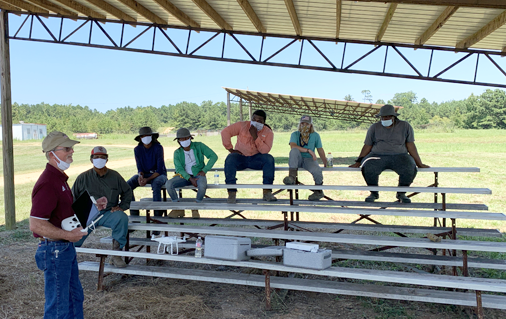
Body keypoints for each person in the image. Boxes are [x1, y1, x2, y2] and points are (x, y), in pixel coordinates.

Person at [29, 131, 86, 319]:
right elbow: (36, 224)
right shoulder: (48, 182)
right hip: (54, 250)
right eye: (67, 148)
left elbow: (63, 214)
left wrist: (94, 206)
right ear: (52, 153)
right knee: (59, 306)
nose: (71, 152)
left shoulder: (59, 178)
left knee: (74, 298)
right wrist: (69, 235)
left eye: (72, 148)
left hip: (63, 248)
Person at [349, 104, 430, 203]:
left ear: (394, 117)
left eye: (387, 116)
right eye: (383, 117)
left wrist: (419, 163)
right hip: (376, 155)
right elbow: (367, 146)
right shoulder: (374, 127)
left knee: (410, 168)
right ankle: (374, 193)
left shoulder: (405, 126)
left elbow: (411, 146)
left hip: (400, 155)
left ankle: (402, 193)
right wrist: (359, 161)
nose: (385, 119)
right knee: (368, 168)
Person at [72, 146, 132, 268]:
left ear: (107, 159)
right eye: (96, 157)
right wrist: (80, 212)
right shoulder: (83, 177)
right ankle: (69, 255)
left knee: (121, 218)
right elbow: (72, 197)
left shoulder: (115, 176)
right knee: (74, 233)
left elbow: (127, 191)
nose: (99, 159)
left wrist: (122, 206)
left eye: (102, 157)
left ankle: (116, 255)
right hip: (88, 213)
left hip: (108, 212)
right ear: (91, 159)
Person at [221, 110, 276, 204]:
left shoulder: (268, 132)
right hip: (240, 157)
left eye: (260, 121)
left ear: (264, 122)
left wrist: (255, 136)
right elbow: (225, 132)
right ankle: (231, 193)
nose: (256, 122)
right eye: (254, 119)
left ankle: (267, 192)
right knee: (230, 159)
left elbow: (265, 151)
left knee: (269, 159)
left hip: (256, 158)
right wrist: (230, 149)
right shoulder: (242, 125)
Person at [165, 128, 218, 218]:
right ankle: (178, 208)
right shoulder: (177, 153)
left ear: (190, 138)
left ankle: (195, 206)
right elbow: (179, 169)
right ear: (178, 141)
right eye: (182, 139)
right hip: (183, 176)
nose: (184, 140)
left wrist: (204, 170)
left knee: (202, 185)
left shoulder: (199, 146)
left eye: (186, 138)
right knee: (169, 184)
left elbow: (213, 156)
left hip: (198, 174)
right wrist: (190, 178)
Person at [283, 115, 328, 201]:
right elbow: (293, 146)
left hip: (309, 159)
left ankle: (318, 191)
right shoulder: (295, 134)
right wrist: (308, 150)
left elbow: (320, 149)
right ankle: (292, 177)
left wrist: (325, 162)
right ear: (300, 124)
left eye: (307, 124)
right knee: (294, 151)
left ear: (311, 125)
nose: (304, 125)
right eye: (302, 123)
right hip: (297, 159)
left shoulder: (315, 135)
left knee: (317, 170)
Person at [127, 127, 167, 217]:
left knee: (156, 184)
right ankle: (134, 214)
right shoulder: (137, 149)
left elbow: (160, 169)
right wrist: (140, 176)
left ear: (152, 136)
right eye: (144, 136)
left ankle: (157, 217)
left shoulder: (158, 148)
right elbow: (139, 167)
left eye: (148, 135)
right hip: (145, 175)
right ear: (140, 138)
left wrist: (147, 179)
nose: (146, 137)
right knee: (127, 185)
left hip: (159, 174)